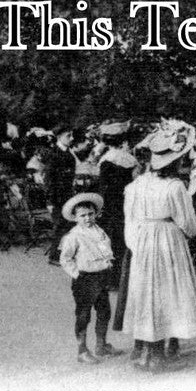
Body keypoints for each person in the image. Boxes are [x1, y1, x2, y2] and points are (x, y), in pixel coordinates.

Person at [123, 120, 196, 371]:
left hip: (143, 239)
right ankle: (160, 350)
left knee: (146, 292)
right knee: (169, 291)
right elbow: (187, 222)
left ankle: (145, 349)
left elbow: (130, 220)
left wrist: (137, 246)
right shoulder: (175, 186)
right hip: (168, 238)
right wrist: (193, 232)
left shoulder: (134, 186)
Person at [58, 192, 123, 363]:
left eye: (90, 214)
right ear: (75, 218)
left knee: (104, 311)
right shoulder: (73, 236)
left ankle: (101, 345)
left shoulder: (99, 230)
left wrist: (108, 261)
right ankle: (82, 350)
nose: (87, 218)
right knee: (83, 314)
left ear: (96, 214)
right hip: (85, 279)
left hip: (100, 277)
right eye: (83, 215)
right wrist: (77, 273)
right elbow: (65, 259)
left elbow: (105, 248)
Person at [96, 121, 139, 282]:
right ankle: (124, 274)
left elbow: (103, 187)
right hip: (126, 202)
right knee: (123, 237)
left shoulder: (105, 160)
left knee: (109, 238)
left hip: (109, 204)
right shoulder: (130, 160)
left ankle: (110, 277)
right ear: (123, 141)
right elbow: (135, 182)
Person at [41, 125, 80, 264]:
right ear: (59, 137)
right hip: (56, 196)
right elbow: (48, 180)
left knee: (68, 224)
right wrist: (50, 201)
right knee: (60, 225)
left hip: (67, 195)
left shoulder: (69, 155)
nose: (71, 138)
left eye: (71, 135)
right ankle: (54, 256)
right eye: (68, 136)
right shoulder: (53, 154)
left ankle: (65, 253)